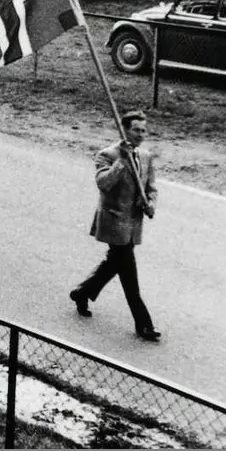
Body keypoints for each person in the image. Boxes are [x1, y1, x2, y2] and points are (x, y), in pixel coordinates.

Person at [69, 110, 161, 343]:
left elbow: (151, 187)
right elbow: (103, 184)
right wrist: (122, 160)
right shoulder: (107, 155)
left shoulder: (147, 156)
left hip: (133, 224)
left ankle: (82, 292)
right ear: (125, 130)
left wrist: (150, 204)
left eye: (143, 130)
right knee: (130, 275)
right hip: (113, 222)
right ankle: (144, 324)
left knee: (113, 265)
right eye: (136, 130)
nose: (141, 134)